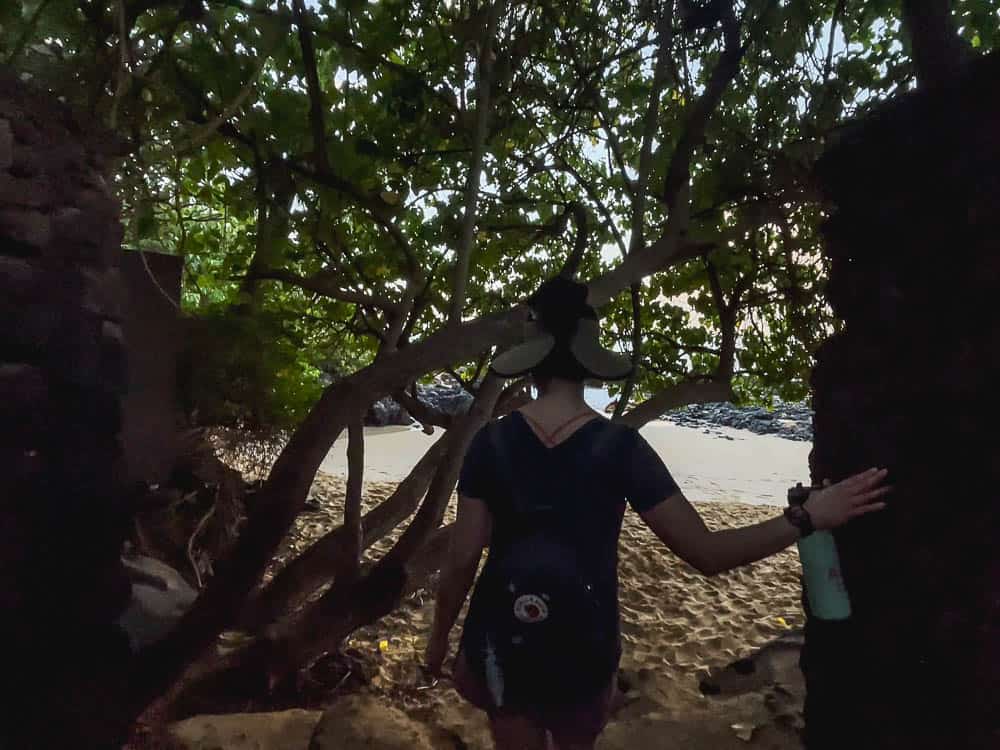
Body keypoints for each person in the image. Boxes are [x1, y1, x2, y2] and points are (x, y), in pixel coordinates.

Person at [425, 277, 891, 750]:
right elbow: (706, 553)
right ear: (589, 365)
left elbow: (462, 558)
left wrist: (439, 638)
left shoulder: (492, 442)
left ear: (530, 364)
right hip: (583, 639)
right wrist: (807, 517)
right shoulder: (620, 447)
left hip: (503, 637)